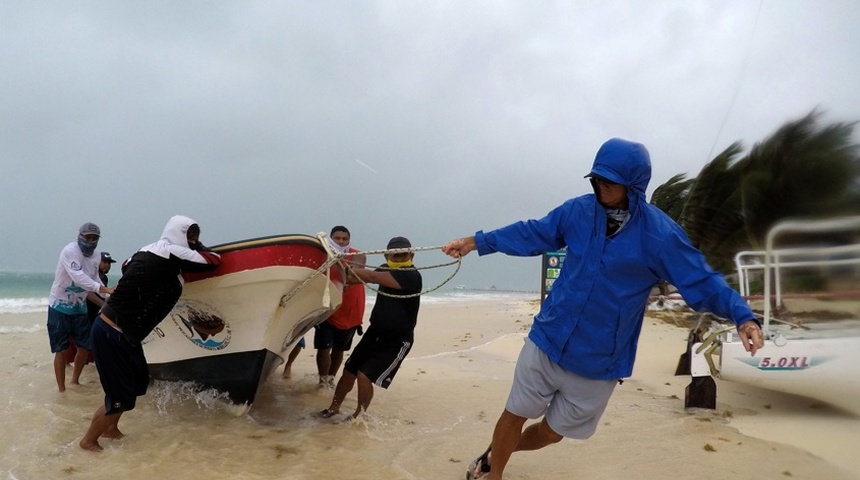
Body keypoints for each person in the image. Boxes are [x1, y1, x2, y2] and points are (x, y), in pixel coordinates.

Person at [442, 138, 765, 480]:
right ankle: (494, 474)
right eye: (596, 178)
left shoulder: (661, 236)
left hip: (599, 362)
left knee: (552, 433)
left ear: (633, 186)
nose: (600, 186)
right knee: (514, 413)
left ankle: (499, 451)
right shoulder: (577, 212)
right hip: (548, 338)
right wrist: (476, 242)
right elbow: (532, 233)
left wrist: (742, 315)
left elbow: (701, 279)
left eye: (609, 181)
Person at [79, 215, 221, 451]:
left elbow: (125, 265)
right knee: (118, 396)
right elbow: (213, 260)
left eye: (197, 236)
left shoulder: (148, 250)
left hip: (122, 333)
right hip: (111, 331)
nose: (193, 241)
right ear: (179, 233)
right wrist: (197, 247)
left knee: (135, 383)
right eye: (190, 236)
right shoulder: (173, 251)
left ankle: (111, 430)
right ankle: (88, 441)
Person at [317, 236, 421, 420]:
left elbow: (371, 276)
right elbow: (353, 278)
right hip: (375, 333)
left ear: (411, 255)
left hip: (397, 340)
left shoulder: (411, 275)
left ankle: (359, 416)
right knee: (349, 370)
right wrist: (336, 265)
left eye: (402, 255)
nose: (398, 259)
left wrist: (350, 264)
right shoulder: (384, 268)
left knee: (364, 375)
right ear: (386, 255)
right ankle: (334, 408)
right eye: (393, 256)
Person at [48, 222, 115, 392]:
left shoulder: (96, 255)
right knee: (61, 349)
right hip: (59, 306)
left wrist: (108, 295)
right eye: (88, 237)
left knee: (85, 346)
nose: (91, 241)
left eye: (95, 238)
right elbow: (78, 278)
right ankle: (61, 389)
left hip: (79, 307)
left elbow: (94, 278)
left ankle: (75, 381)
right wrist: (103, 289)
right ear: (80, 236)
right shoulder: (70, 251)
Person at [308, 225, 367, 386]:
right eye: (337, 238)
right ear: (331, 239)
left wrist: (340, 262)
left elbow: (356, 271)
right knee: (323, 347)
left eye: (344, 239)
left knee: (340, 349)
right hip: (328, 308)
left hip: (351, 311)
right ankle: (322, 380)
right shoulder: (323, 254)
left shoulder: (358, 254)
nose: (341, 242)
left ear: (349, 240)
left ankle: (331, 379)